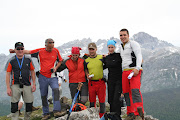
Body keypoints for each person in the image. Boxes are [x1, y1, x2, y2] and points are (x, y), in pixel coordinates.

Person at [9, 38, 63, 119]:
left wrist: (55, 67)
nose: (51, 48)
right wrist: (14, 51)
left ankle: (57, 111)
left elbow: (60, 61)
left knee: (56, 90)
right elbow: (28, 52)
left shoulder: (55, 51)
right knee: (44, 95)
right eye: (49, 47)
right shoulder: (40, 51)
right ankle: (46, 113)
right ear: (45, 45)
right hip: (42, 76)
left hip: (53, 76)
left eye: (52, 46)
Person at [6, 42, 36, 120]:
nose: (20, 50)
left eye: (21, 49)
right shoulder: (11, 60)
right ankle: (14, 118)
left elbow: (32, 72)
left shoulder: (28, 60)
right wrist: (8, 88)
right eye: (18, 49)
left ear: (23, 49)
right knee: (14, 104)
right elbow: (8, 74)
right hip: (15, 85)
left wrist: (34, 84)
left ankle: (27, 118)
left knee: (29, 104)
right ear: (15, 50)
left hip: (27, 85)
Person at [119, 29, 144, 120]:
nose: (123, 37)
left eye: (124, 35)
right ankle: (130, 112)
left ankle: (139, 113)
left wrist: (137, 68)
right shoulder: (121, 46)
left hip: (134, 70)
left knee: (135, 90)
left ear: (128, 35)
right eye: (121, 35)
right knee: (126, 92)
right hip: (125, 71)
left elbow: (139, 55)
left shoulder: (134, 44)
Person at [85, 43, 106, 118]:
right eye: (90, 49)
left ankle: (102, 117)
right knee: (92, 101)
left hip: (101, 82)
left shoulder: (101, 57)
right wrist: (87, 75)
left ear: (96, 49)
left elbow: (108, 63)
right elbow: (86, 69)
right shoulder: (86, 60)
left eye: (93, 49)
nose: (91, 51)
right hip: (91, 83)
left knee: (102, 101)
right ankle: (93, 117)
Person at [103, 40, 122, 120]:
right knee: (110, 98)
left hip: (119, 80)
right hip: (110, 80)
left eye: (112, 47)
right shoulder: (106, 58)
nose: (110, 49)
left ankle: (117, 115)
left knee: (116, 99)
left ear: (115, 47)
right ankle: (112, 115)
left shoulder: (118, 56)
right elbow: (101, 67)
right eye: (109, 47)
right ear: (107, 48)